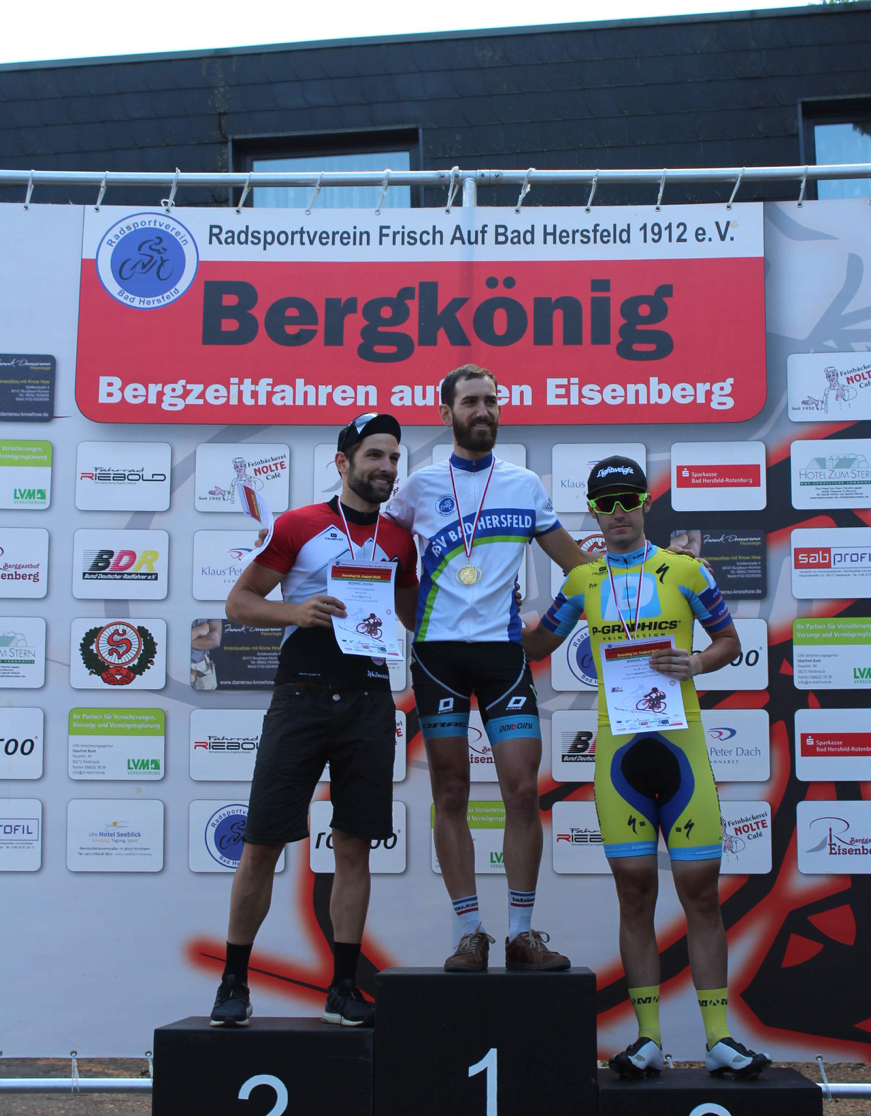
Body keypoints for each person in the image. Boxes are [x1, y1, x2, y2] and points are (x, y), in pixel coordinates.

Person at [522, 455, 771, 1078]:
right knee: (634, 894)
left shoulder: (685, 569)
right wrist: (487, 613)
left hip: (681, 747)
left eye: (627, 500)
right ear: (593, 512)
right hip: (620, 755)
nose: (618, 513)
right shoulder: (582, 580)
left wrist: (699, 663)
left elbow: (729, 641)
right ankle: (649, 1038)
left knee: (701, 893)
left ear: (646, 503)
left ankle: (719, 1038)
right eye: (605, 504)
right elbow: (538, 645)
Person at [209, 412, 418, 1030]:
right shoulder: (298, 524)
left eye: (393, 458)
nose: (386, 467)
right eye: (374, 455)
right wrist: (296, 612)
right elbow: (238, 603)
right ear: (343, 462)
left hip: (369, 701)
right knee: (261, 844)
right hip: (300, 697)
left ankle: (343, 988)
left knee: (354, 847)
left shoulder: (400, 538)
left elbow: (414, 615)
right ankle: (233, 982)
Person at [386, 364, 593, 973]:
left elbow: (581, 570)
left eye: (491, 401)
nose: (483, 410)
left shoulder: (524, 484)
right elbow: (381, 558)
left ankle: (522, 934)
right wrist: (407, 617)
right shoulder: (418, 487)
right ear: (446, 412)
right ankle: (468, 933)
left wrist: (548, 633)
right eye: (471, 401)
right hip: (438, 657)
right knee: (450, 792)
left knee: (522, 791)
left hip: (503, 656)